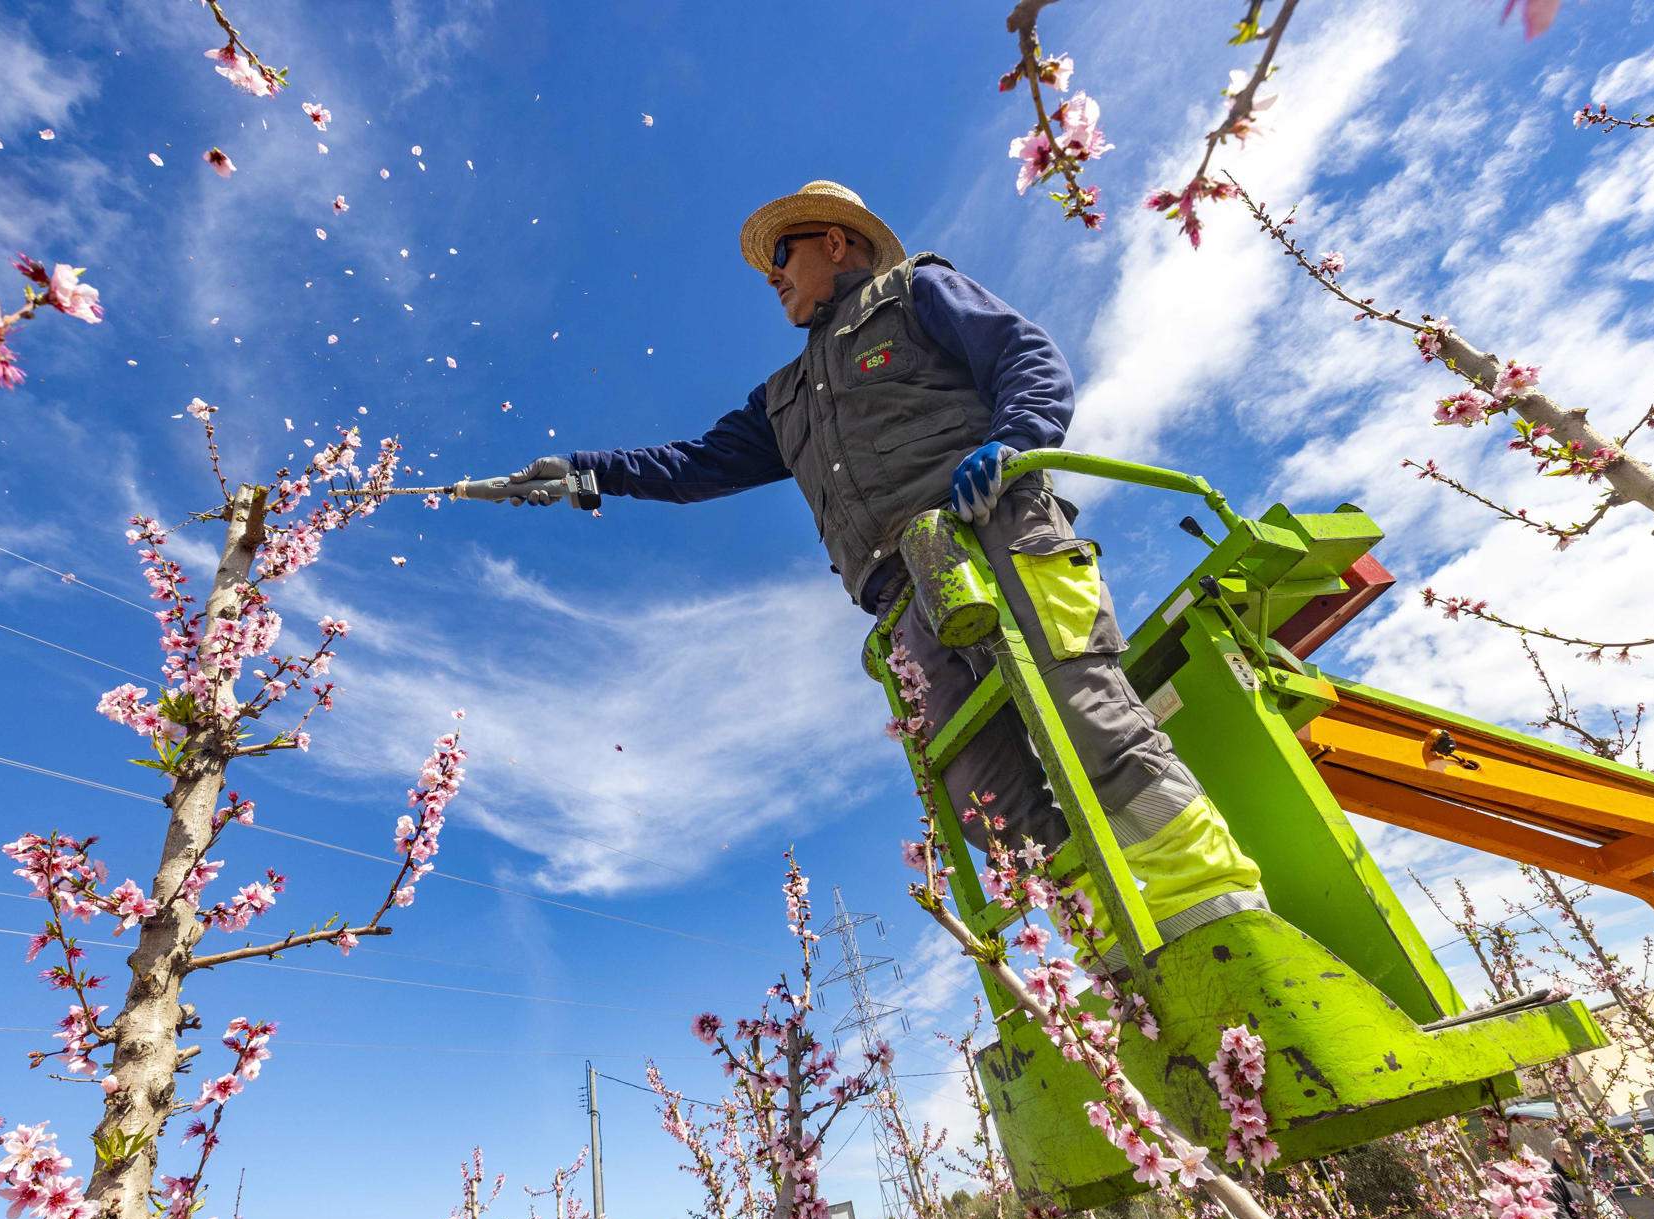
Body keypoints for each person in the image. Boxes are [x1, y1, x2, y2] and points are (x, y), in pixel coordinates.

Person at [507, 180, 1265, 950]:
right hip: (903, 599)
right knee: (985, 802)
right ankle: (1119, 951)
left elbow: (1024, 354)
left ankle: (1220, 914)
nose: (772, 278)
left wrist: (1014, 441)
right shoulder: (783, 399)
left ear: (836, 241)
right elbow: (695, 462)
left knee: (1088, 719)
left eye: (782, 255)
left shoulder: (915, 292)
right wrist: (587, 470)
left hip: (990, 532)